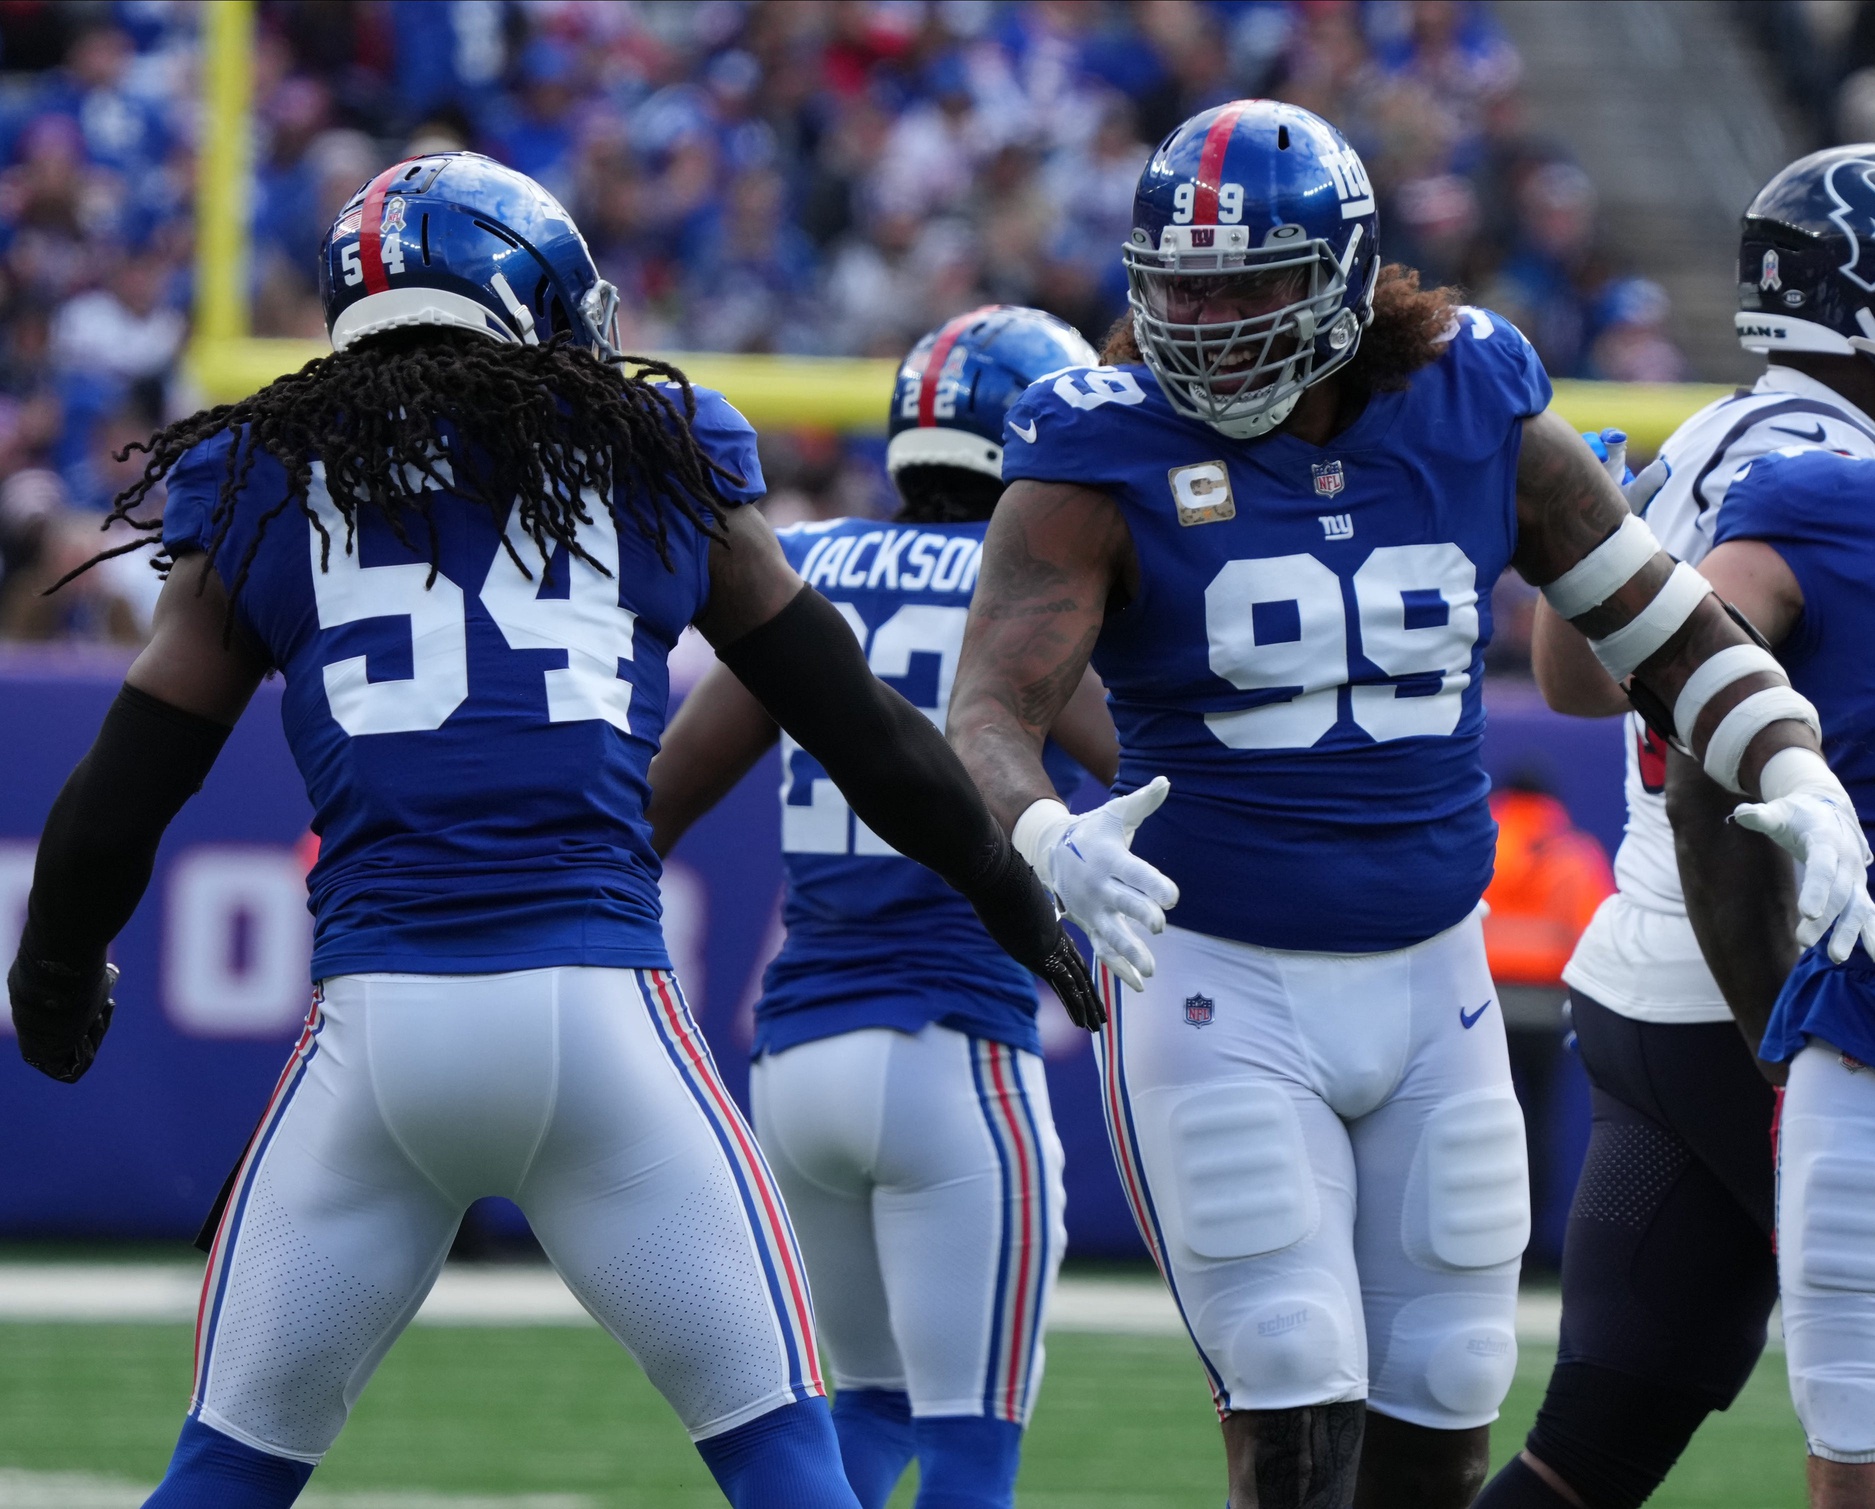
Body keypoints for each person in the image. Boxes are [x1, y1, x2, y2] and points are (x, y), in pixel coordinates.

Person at [4, 153, 1099, 1509]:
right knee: (784, 1457)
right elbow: (859, 727)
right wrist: (1010, 895)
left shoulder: (262, 483)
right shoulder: (655, 458)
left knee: (222, 1471)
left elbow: (135, 770)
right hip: (598, 1024)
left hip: (378, 1040)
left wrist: (53, 968)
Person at [943, 100, 1875, 1509]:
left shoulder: (1467, 395)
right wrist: (1040, 835)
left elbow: (1656, 628)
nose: (1200, 318)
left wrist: (1791, 764)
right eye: (1177, 281)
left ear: (1338, 276)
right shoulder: (1099, 448)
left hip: (1432, 978)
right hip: (1217, 977)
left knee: (1444, 1392)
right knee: (1292, 1371)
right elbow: (987, 710)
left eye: (1244, 281)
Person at [648, 304, 1115, 1509]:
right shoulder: (1020, 593)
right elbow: (1138, 758)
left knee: (862, 1415)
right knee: (968, 1448)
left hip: (799, 1060)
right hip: (955, 1052)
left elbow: (667, 794)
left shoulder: (808, 563)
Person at [1476, 145, 1875, 1509]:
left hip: (1641, 965)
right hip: (1762, 971)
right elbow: (1715, 720)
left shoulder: (1704, 435)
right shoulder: (1819, 477)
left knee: (1589, 1448)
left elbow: (1580, 678)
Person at [1652, 147, 1875, 1509]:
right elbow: (1686, 726)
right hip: (1841, 1003)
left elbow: (1591, 673)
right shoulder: (1811, 491)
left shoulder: (1741, 457)